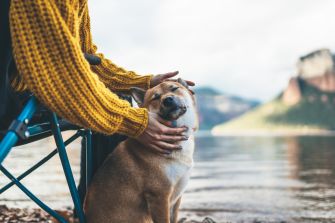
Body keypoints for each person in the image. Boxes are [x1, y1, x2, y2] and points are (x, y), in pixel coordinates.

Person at [5, 0, 194, 209]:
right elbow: (58, 67)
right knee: (119, 106)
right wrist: (131, 121)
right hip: (10, 105)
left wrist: (144, 83)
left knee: (118, 98)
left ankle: (100, 209)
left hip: (18, 95)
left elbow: (86, 58)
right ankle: (108, 212)